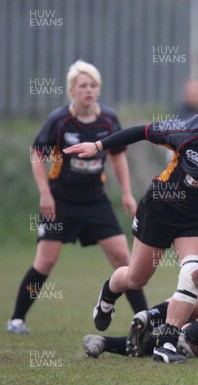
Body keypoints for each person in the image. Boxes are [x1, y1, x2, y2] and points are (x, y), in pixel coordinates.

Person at [64, 92, 198, 363]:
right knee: (135, 278)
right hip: (159, 210)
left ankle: (165, 345)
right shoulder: (185, 131)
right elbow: (140, 131)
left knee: (194, 274)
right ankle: (108, 294)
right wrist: (97, 146)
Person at [7, 60, 146, 334]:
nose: (89, 90)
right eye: (83, 85)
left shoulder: (109, 119)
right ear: (72, 90)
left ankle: (145, 317)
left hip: (96, 200)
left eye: (93, 85)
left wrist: (128, 194)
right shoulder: (59, 120)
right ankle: (16, 319)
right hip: (61, 201)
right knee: (45, 261)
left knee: (124, 258)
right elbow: (37, 155)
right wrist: (45, 193)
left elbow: (118, 156)